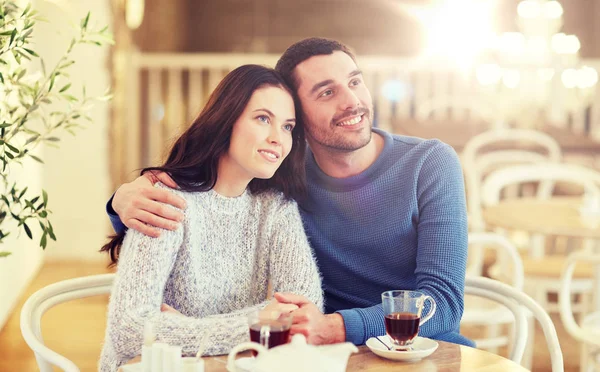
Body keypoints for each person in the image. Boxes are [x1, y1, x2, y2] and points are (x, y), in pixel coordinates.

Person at [107, 38, 473, 348]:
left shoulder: (430, 163)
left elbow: (442, 302)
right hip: (322, 355)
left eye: (355, 82)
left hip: (417, 349)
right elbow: (209, 199)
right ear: (300, 118)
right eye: (327, 92)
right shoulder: (284, 179)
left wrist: (333, 326)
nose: (352, 101)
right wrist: (121, 201)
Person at [98, 64, 323, 372]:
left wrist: (184, 330)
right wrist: (254, 323)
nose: (277, 138)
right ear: (226, 120)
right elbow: (129, 332)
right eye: (262, 119)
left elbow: (304, 308)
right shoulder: (165, 199)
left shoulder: (276, 207)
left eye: (287, 127)